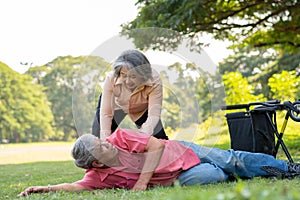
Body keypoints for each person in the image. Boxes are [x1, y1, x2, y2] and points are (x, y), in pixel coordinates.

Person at [18, 128, 300, 197]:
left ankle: (287, 169)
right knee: (211, 178)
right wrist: (45, 188)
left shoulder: (121, 137)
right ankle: (222, 172)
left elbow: (154, 145)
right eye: (100, 147)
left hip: (178, 151)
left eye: (102, 140)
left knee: (231, 160)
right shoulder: (100, 177)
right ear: (95, 163)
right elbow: (75, 186)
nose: (107, 143)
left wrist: (142, 181)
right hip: (180, 175)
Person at [92, 49, 168, 140]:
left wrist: (143, 136)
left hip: (141, 108)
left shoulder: (154, 80)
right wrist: (104, 140)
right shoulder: (111, 79)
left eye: (133, 76)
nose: (128, 81)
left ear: (142, 74)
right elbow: (106, 113)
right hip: (116, 104)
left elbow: (153, 115)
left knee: (159, 139)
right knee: (97, 137)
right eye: (124, 75)